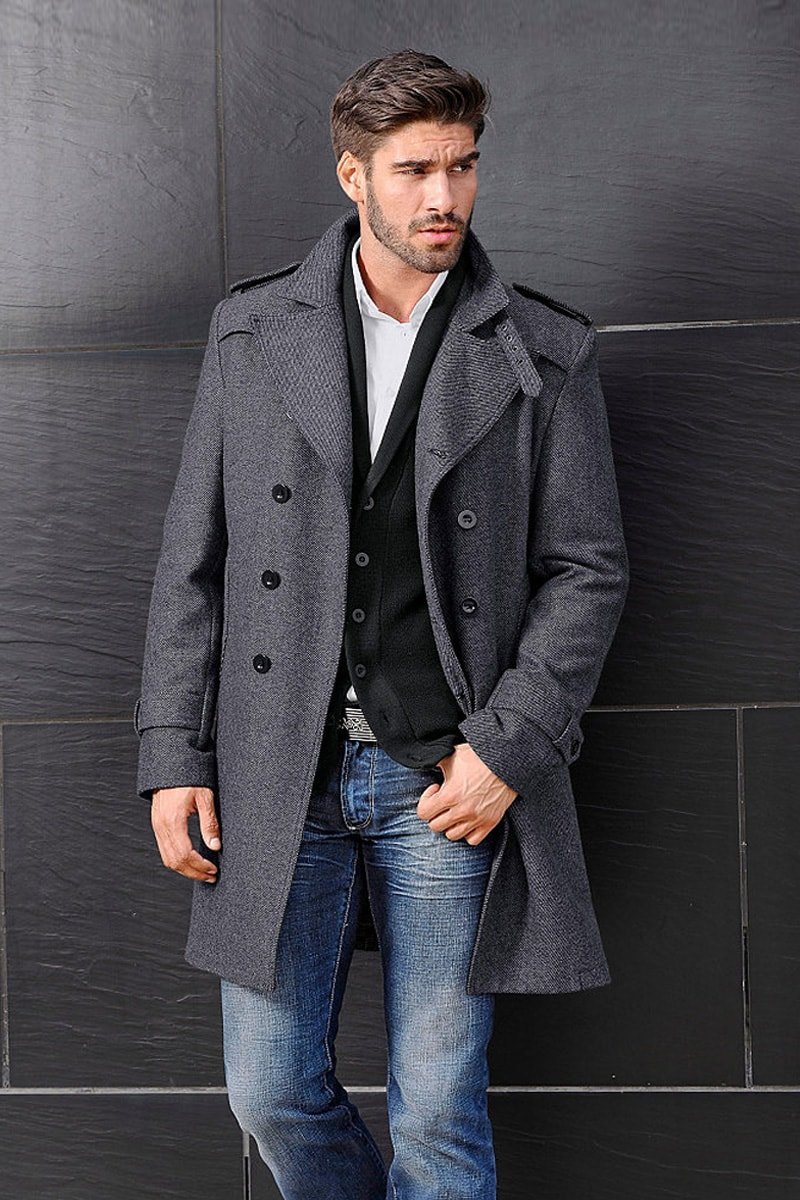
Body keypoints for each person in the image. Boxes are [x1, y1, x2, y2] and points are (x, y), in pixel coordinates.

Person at [134, 48, 629, 1200]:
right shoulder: (252, 332)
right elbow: (193, 560)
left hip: (442, 777)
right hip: (276, 770)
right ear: (352, 176)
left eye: (462, 166)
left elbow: (586, 570)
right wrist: (171, 753)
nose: (443, 196)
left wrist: (509, 746)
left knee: (439, 1109)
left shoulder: (541, 351)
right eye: (413, 171)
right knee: (269, 1091)